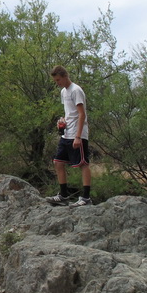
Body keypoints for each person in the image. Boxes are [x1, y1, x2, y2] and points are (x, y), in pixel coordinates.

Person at [47, 65, 92, 207]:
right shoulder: (63, 92)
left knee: (83, 163)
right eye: (55, 81)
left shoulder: (76, 90)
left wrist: (78, 136)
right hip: (67, 133)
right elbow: (69, 113)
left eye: (58, 80)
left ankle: (86, 197)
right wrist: (62, 121)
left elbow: (81, 114)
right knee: (58, 162)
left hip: (78, 133)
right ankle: (63, 195)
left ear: (65, 76)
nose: (57, 83)